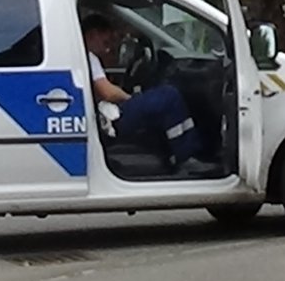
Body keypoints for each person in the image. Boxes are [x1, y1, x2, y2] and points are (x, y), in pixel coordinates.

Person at [82, 13, 220, 178]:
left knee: (160, 103)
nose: (108, 48)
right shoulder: (88, 57)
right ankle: (185, 156)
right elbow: (107, 92)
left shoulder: (86, 57)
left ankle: (173, 155)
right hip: (109, 118)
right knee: (168, 96)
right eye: (106, 42)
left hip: (104, 116)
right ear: (93, 34)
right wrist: (131, 98)